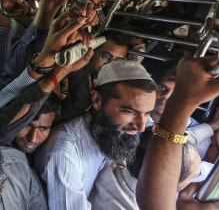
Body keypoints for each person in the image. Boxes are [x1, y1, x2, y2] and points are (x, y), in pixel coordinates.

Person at [35, 60, 158, 209]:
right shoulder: (64, 153)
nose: (141, 126)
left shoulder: (113, 129)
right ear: (97, 100)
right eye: (129, 112)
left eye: (147, 113)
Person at [136, 56, 219, 209]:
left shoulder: (204, 161)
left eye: (175, 91)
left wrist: (182, 101)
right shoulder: (135, 122)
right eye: (162, 88)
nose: (166, 97)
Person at [88, 130, 201, 210]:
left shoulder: (113, 158)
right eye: (195, 176)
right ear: (168, 185)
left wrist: (211, 126)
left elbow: (166, 144)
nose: (199, 180)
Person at [147, 64, 219, 158]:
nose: (166, 96)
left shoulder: (201, 136)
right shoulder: (135, 116)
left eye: (177, 92)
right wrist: (211, 127)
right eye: (161, 87)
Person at [57, 32, 130, 123]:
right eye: (105, 56)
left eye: (117, 61)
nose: (110, 65)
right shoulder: (75, 67)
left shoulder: (109, 81)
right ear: (92, 50)